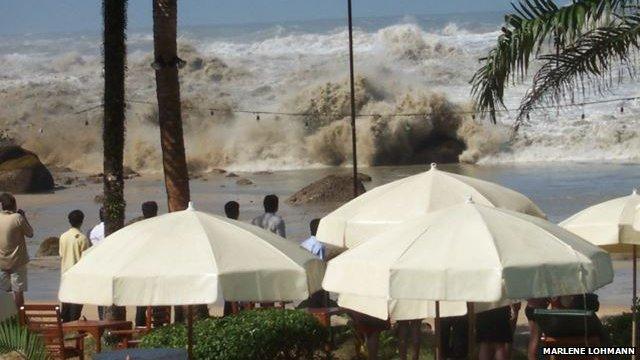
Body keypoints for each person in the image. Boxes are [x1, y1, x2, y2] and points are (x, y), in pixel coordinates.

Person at [0, 193, 33, 310]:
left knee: (3, 291)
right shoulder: (17, 218)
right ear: (13, 204)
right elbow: (30, 233)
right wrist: (24, 217)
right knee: (18, 290)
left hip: (1, 261)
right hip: (17, 261)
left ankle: (5, 316)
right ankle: (19, 317)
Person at [130, 201, 159, 326]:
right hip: (157, 268)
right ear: (156, 211)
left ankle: (139, 327)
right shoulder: (162, 225)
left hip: (140, 268)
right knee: (158, 300)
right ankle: (159, 326)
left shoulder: (136, 226)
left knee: (141, 303)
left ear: (143, 212)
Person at [59, 210, 90, 322]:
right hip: (78, 276)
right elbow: (86, 259)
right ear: (81, 221)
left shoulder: (63, 237)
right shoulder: (82, 238)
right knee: (76, 306)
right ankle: (73, 327)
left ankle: (66, 327)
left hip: (65, 274)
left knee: (66, 305)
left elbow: (62, 254)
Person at [223, 201, 240, 316]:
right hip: (238, 264)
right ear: (237, 212)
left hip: (226, 264)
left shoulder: (222, 226)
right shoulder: (240, 227)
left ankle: (228, 314)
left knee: (228, 294)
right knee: (239, 293)